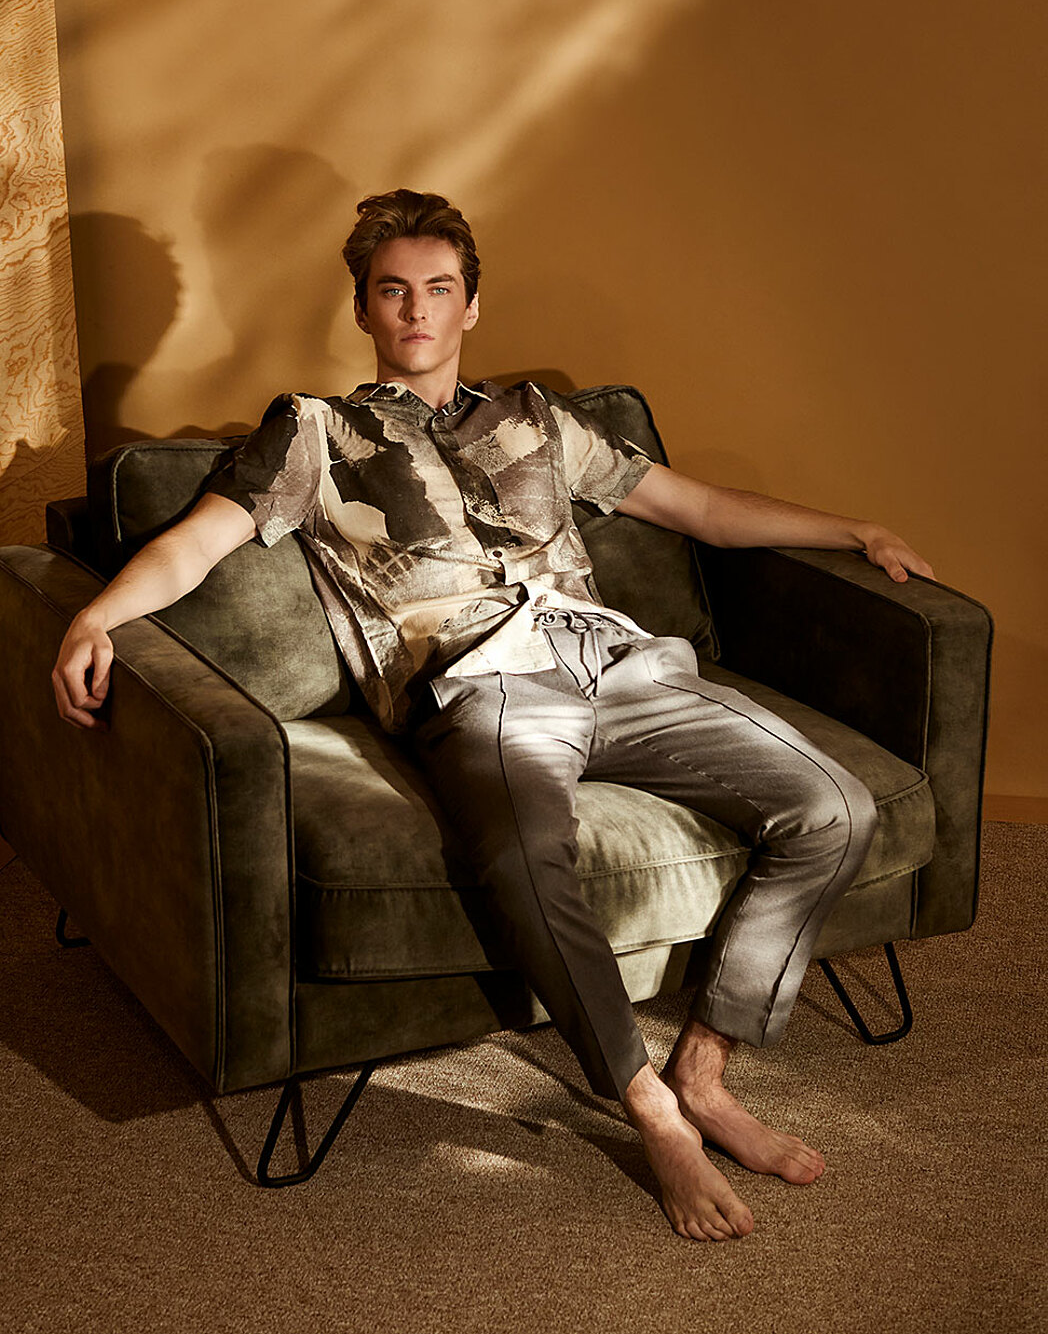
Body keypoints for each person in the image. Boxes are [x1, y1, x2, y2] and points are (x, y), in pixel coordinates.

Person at [52, 189, 935, 1242]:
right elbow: (197, 542)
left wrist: (858, 527)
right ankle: (648, 1103)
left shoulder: (540, 418)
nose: (417, 311)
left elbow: (698, 508)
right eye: (394, 293)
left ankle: (704, 1069)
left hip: (620, 665)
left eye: (438, 289)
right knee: (525, 848)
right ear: (364, 311)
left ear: (472, 304)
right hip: (484, 687)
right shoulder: (314, 432)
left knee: (833, 802)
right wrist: (96, 613)